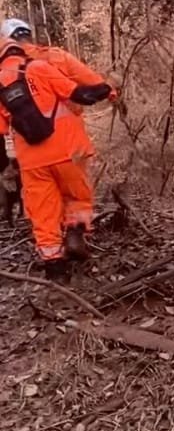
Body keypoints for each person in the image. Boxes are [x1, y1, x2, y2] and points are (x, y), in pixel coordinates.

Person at [0, 38, 114, 278]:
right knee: (77, 196)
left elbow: (1, 133)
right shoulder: (38, 67)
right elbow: (79, 94)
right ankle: (74, 231)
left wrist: (6, 168)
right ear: (20, 50)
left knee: (43, 211)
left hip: (31, 161)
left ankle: (54, 265)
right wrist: (104, 89)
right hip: (67, 151)